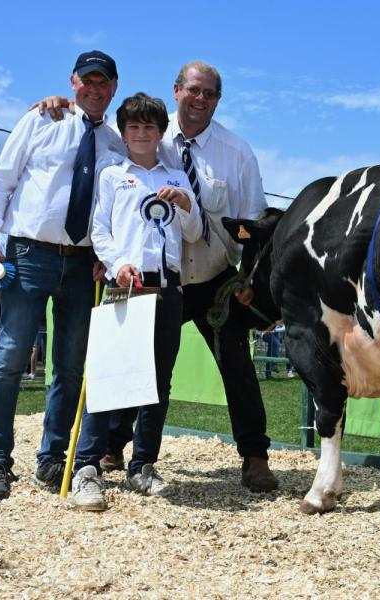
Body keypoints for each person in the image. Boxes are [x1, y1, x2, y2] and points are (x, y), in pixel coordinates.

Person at [40, 60, 277, 492]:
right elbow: (91, 126)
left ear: (217, 100)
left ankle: (254, 455)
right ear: (176, 91)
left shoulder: (236, 150)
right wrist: (61, 104)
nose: (200, 99)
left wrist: (248, 278)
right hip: (142, 277)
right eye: (193, 90)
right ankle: (110, 449)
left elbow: (254, 219)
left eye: (209, 93)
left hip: (211, 278)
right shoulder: (148, 130)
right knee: (127, 361)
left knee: (236, 365)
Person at [0, 50, 124, 501]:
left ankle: (53, 458)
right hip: (28, 253)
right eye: (87, 81)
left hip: (82, 263)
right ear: (73, 82)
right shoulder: (40, 120)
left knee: (71, 367)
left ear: (113, 89)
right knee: (10, 359)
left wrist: (108, 255)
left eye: (104, 83)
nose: (95, 89)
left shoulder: (116, 142)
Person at [69, 92, 201, 510]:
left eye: (149, 127)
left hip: (168, 287)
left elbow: (195, 232)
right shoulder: (112, 175)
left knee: (158, 381)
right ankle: (87, 466)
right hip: (125, 285)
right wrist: (116, 263)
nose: (142, 134)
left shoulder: (177, 176)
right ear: (123, 133)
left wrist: (185, 205)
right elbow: (101, 232)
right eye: (133, 127)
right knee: (109, 375)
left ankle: (143, 464)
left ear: (162, 132)